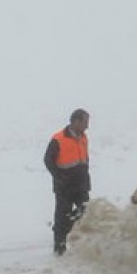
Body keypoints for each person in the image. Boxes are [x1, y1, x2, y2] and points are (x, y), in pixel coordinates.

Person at [44, 109, 91, 255]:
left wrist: (86, 180)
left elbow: (84, 160)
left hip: (81, 186)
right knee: (62, 218)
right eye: (85, 122)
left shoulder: (84, 138)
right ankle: (59, 249)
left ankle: (79, 243)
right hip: (64, 187)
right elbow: (48, 161)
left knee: (85, 213)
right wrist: (60, 178)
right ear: (76, 121)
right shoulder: (58, 139)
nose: (87, 126)